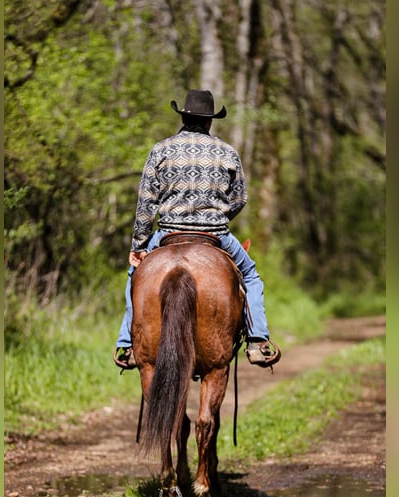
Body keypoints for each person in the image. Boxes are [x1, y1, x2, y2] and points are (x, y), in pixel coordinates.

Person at [113, 89, 280, 370]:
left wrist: (139, 246)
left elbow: (145, 202)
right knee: (250, 276)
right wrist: (217, 216)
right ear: (209, 121)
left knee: (135, 275)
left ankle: (127, 345)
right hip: (215, 234)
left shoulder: (160, 149)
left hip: (166, 232)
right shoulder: (227, 152)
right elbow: (239, 199)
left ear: (184, 116)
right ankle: (257, 340)